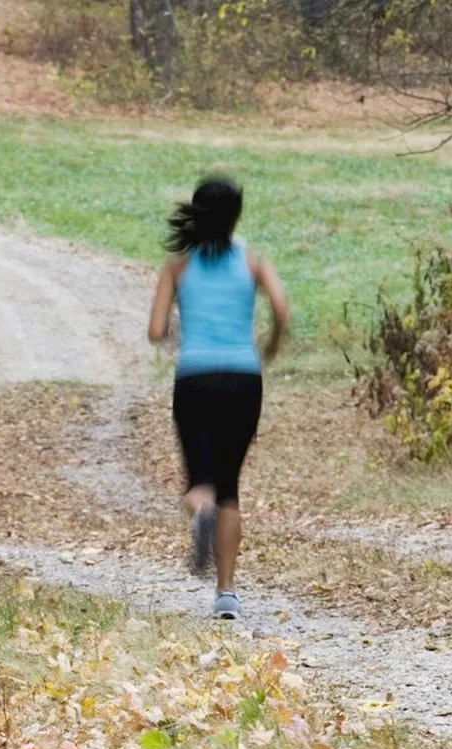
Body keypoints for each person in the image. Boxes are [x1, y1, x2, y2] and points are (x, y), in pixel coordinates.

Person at [146, 177, 289, 620]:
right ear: (237, 216)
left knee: (199, 482)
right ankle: (226, 593)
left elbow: (155, 331)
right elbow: (282, 310)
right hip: (244, 379)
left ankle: (198, 506)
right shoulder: (252, 261)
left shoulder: (177, 264)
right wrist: (268, 347)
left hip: (195, 379)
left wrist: (178, 340)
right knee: (230, 488)